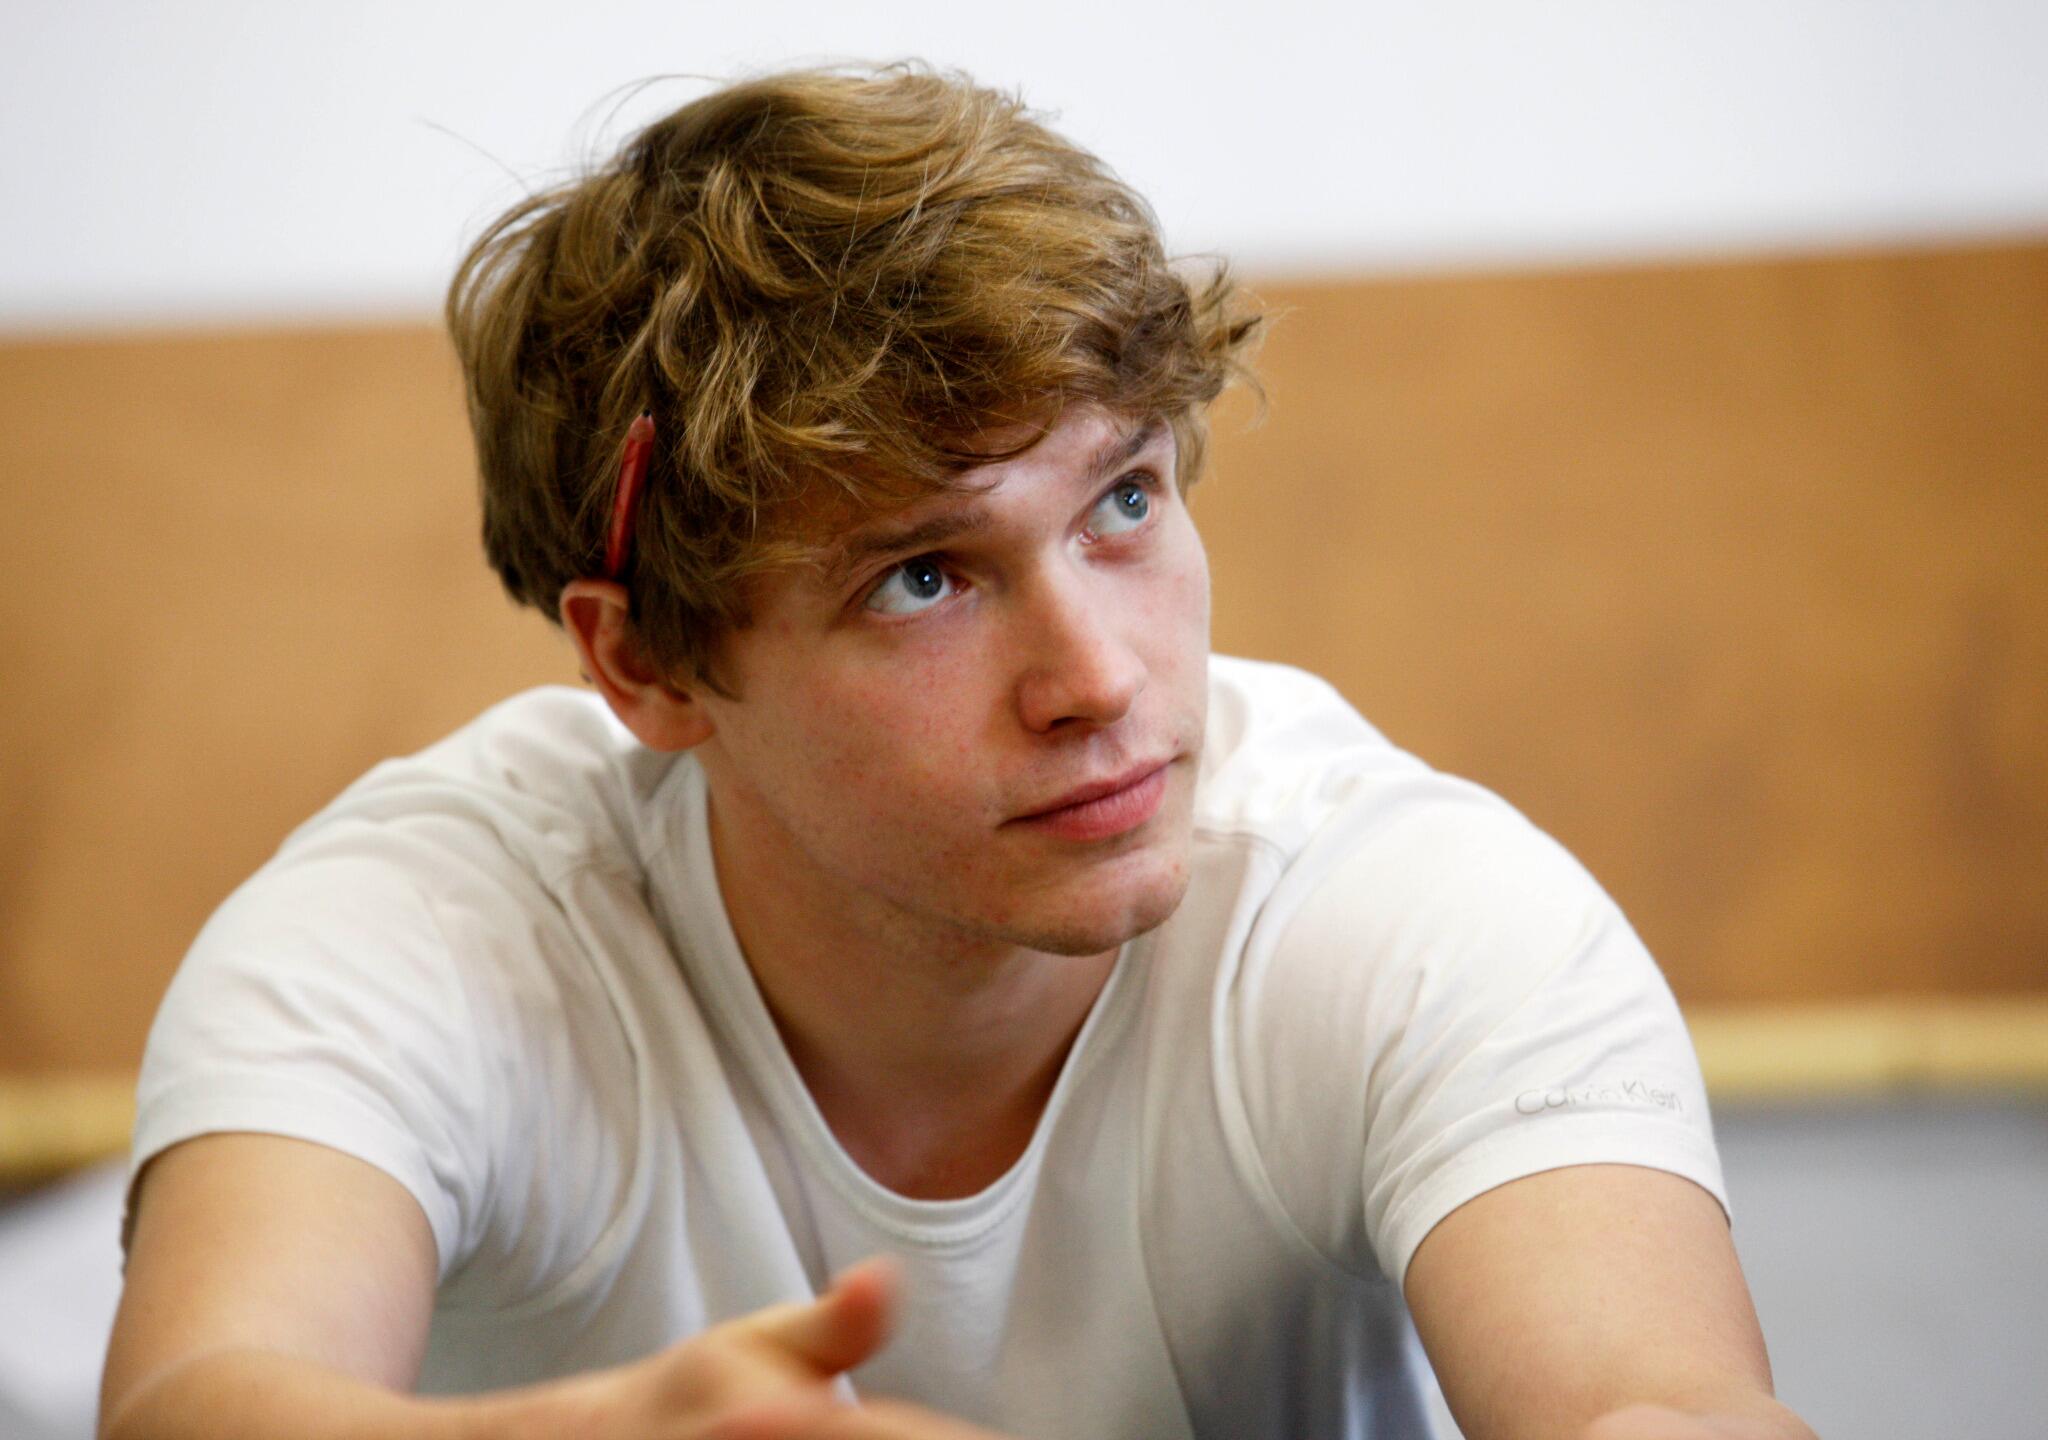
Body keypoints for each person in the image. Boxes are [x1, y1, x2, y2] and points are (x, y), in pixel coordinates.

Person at [99, 64, 1814, 1440]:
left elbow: (1654, 1397)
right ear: (648, 663)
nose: (1100, 679)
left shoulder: (1402, 909)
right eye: (924, 578)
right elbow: (197, 1396)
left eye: (1122, 499)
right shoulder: (435, 923)